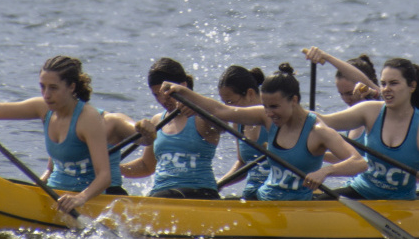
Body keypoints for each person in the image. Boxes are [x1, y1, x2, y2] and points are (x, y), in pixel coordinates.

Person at [0, 55, 119, 213]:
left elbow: (104, 176)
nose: (46, 95)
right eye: (42, 86)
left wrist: (80, 199)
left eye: (53, 88)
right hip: (52, 192)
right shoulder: (43, 108)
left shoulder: (89, 118)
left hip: (82, 199)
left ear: (71, 87)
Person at [163, 63, 368, 200]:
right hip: (263, 199)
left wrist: (326, 171)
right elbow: (221, 111)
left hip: (297, 206)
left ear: (294, 100)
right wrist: (183, 91)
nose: (269, 113)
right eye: (266, 106)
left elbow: (359, 162)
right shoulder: (266, 118)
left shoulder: (318, 130)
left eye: (275, 107)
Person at [303, 50, 419, 200]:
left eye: (393, 83)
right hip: (361, 192)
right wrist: (291, 110)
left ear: (412, 86)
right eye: (383, 84)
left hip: (402, 201)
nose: (386, 89)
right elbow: (325, 120)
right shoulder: (370, 111)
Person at [121, 57, 222, 199]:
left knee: (158, 200)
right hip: (161, 195)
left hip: (200, 193)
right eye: (156, 95)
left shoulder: (202, 117)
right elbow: (146, 166)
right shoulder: (157, 120)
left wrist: (196, 106)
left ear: (182, 86)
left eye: (165, 94)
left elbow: (222, 122)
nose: (162, 100)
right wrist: (113, 169)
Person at [214, 65, 269, 200]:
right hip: (252, 194)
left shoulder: (274, 116)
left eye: (231, 102)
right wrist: (219, 184)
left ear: (250, 93)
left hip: (276, 194)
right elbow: (243, 162)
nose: (228, 109)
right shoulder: (238, 122)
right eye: (225, 104)